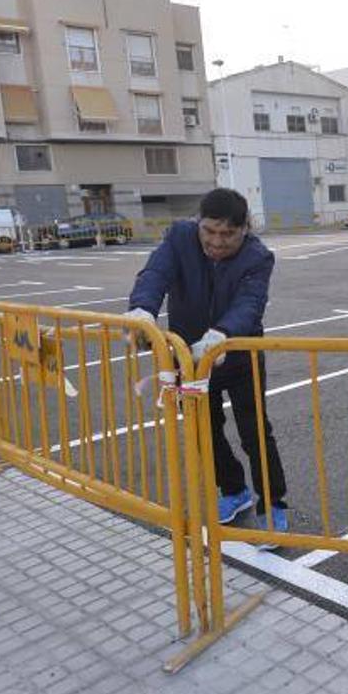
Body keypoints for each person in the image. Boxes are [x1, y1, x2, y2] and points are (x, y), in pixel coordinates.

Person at [125, 188, 289, 542]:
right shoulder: (180, 237)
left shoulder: (258, 257)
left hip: (238, 352)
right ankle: (233, 491)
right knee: (204, 431)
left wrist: (223, 334)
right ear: (198, 224)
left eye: (228, 234)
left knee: (255, 431)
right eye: (209, 232)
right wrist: (142, 310)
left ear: (245, 228)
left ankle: (272, 504)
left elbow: (250, 302)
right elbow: (155, 273)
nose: (217, 242)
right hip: (188, 357)